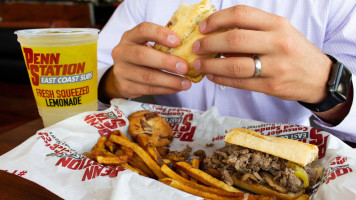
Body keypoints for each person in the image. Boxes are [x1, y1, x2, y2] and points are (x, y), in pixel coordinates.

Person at [97, 0, 356, 143]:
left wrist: (328, 86)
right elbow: (92, 74)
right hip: (170, 156)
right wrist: (111, 82)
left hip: (285, 159)